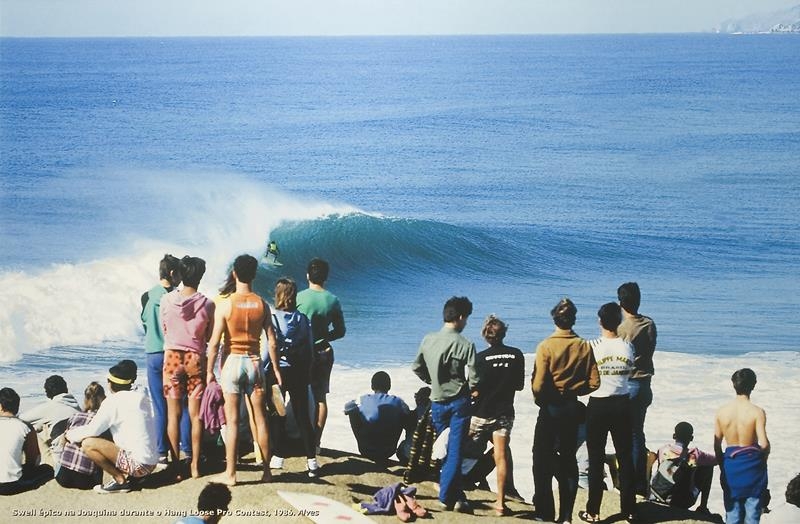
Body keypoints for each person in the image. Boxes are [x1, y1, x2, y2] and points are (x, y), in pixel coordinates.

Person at [206, 254, 277, 485]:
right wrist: (275, 369)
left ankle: (231, 474)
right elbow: (272, 341)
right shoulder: (262, 304)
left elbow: (215, 343)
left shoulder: (225, 305)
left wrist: (209, 372)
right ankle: (267, 472)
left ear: (234, 273)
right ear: (255, 275)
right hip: (254, 362)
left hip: (232, 364)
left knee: (233, 421)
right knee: (261, 419)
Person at [531, 298, 600, 524]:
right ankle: (567, 516)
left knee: (542, 459)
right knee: (568, 460)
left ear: (554, 318)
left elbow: (538, 385)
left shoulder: (546, 346)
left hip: (550, 408)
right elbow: (594, 383)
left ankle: (544, 512)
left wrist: (541, 398)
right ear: (574, 319)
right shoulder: (583, 346)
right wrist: (574, 389)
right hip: (572, 407)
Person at [411, 296, 478, 513]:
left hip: (437, 401)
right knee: (455, 451)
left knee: (446, 450)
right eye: (466, 318)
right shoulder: (466, 344)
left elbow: (417, 367)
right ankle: (447, 496)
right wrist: (473, 391)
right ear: (459, 317)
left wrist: (432, 381)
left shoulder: (428, 339)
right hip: (459, 401)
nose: (466, 322)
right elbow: (475, 378)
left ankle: (457, 494)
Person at [578, 302, 636, 523]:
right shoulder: (628, 346)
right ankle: (630, 510)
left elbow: (585, 374)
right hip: (622, 403)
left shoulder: (591, 345)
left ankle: (593, 511)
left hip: (599, 404)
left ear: (599, 321)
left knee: (595, 458)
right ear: (619, 322)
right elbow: (629, 374)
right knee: (625, 457)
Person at [64, 360, 159, 494]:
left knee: (88, 443)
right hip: (152, 461)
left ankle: (119, 480)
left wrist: (70, 435)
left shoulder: (113, 401)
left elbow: (92, 430)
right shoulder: (141, 395)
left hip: (139, 466)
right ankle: (129, 476)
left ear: (110, 383)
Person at [161, 255, 215, 479]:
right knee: (195, 416)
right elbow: (209, 337)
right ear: (200, 276)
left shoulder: (166, 301)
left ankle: (175, 467)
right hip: (195, 359)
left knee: (172, 415)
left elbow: (164, 329)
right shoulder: (208, 304)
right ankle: (194, 465)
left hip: (172, 357)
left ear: (180, 275)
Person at [468, 314, 525, 516]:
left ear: (486, 336)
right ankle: (500, 503)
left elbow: (474, 389)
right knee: (501, 455)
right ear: (504, 333)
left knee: (461, 449)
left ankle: (458, 487)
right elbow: (519, 386)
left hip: (481, 413)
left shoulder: (480, 358)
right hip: (504, 413)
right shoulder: (517, 355)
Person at [141, 253, 191, 465]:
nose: (181, 278)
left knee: (159, 406)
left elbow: (144, 323)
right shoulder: (178, 297)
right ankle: (185, 449)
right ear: (172, 273)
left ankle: (161, 452)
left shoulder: (146, 296)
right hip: (173, 354)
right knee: (183, 404)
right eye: (179, 273)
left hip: (152, 354)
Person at [267, 276, 319, 477]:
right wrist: (308, 372)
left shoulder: (272, 319)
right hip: (298, 372)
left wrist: (263, 370)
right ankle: (312, 462)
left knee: (278, 415)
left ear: (278, 295)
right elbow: (311, 351)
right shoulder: (303, 319)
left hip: (278, 373)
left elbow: (268, 351)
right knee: (302, 417)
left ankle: (278, 458)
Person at [296, 257, 346, 453]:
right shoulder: (333, 300)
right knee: (320, 398)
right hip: (323, 352)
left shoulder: (298, 298)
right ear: (326, 278)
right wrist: (324, 337)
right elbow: (341, 331)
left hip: (301, 353)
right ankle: (316, 444)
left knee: (297, 395)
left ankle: (297, 438)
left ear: (308, 275)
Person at [714, 368, 770, 524]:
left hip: (731, 465)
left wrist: (723, 465)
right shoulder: (757, 412)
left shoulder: (721, 412)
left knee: (733, 514)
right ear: (754, 385)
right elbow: (764, 444)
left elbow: (717, 446)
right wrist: (762, 461)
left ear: (734, 385)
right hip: (752, 465)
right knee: (752, 515)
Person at [616, 282, 657, 496]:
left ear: (621, 302)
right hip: (645, 384)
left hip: (628, 383)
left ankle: (628, 482)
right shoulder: (649, 323)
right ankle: (640, 483)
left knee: (626, 436)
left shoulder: (623, 329)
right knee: (637, 434)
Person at [344, 371, 414, 465]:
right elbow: (408, 414)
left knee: (353, 411)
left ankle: (364, 442)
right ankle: (408, 447)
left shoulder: (362, 400)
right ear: (389, 386)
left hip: (365, 449)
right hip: (388, 451)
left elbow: (347, 407)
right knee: (402, 414)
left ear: (372, 386)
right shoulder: (398, 402)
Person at [651, 422, 717, 514]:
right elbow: (717, 460)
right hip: (682, 501)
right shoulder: (695, 454)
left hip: (659, 494)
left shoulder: (663, 450)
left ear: (674, 436)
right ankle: (703, 507)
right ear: (691, 438)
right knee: (708, 467)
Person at [0, 387, 54, 495]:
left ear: (1, 407)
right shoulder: (25, 427)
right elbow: (33, 460)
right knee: (48, 469)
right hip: (9, 486)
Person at [55, 382, 108, 489]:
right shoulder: (103, 421)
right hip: (87, 482)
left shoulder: (75, 416)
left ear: (85, 399)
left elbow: (63, 442)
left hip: (62, 478)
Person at [18, 374, 80, 465]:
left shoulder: (50, 407)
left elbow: (19, 420)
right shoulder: (78, 408)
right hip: (79, 458)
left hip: (60, 464)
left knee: (29, 429)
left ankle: (30, 466)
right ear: (66, 389)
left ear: (47, 393)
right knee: (46, 426)